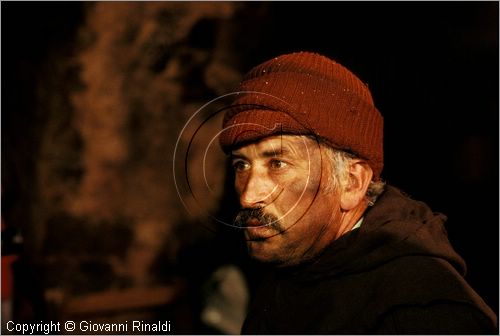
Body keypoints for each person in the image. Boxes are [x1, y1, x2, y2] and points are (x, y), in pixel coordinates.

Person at [217, 51, 498, 334]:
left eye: (277, 163)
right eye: (241, 165)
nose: (248, 196)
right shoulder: (289, 271)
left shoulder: (422, 311)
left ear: (351, 182)